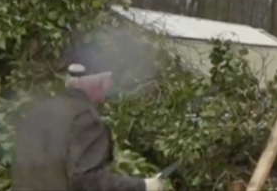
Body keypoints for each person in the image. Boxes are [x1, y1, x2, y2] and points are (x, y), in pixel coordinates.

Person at [13, 63, 166, 191]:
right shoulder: (86, 120)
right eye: (106, 80)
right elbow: (86, 179)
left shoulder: (36, 111)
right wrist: (142, 185)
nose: (109, 86)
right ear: (93, 83)